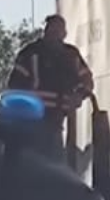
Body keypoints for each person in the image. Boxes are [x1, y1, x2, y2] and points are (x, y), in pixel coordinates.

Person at [7, 14, 94, 157]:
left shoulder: (70, 55)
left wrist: (79, 95)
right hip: (33, 122)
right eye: (51, 30)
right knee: (38, 160)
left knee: (56, 159)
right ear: (45, 31)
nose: (55, 34)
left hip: (58, 119)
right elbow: (14, 85)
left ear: (65, 33)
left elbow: (87, 80)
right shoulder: (31, 53)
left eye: (59, 30)